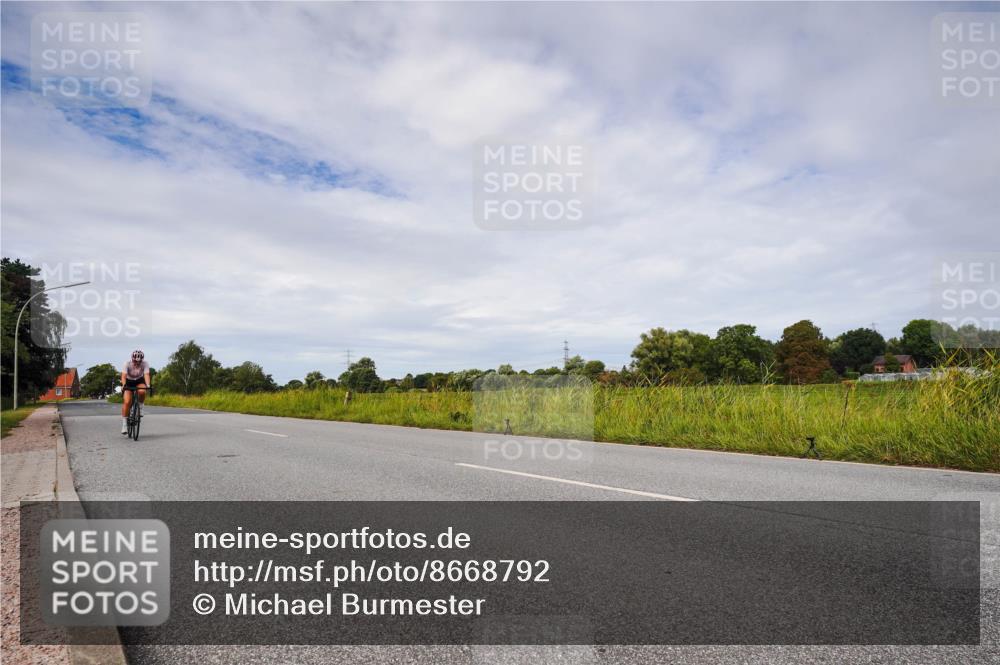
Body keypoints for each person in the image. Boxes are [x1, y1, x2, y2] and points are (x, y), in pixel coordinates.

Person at [121, 349, 151, 434]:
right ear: (132, 359)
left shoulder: (145, 364)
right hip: (129, 382)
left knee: (142, 391)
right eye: (135, 361)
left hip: (139, 381)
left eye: (139, 362)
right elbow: (123, 376)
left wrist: (148, 385)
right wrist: (124, 385)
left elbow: (146, 375)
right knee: (127, 402)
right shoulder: (127, 363)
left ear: (142, 360)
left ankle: (140, 407)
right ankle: (124, 425)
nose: (137, 363)